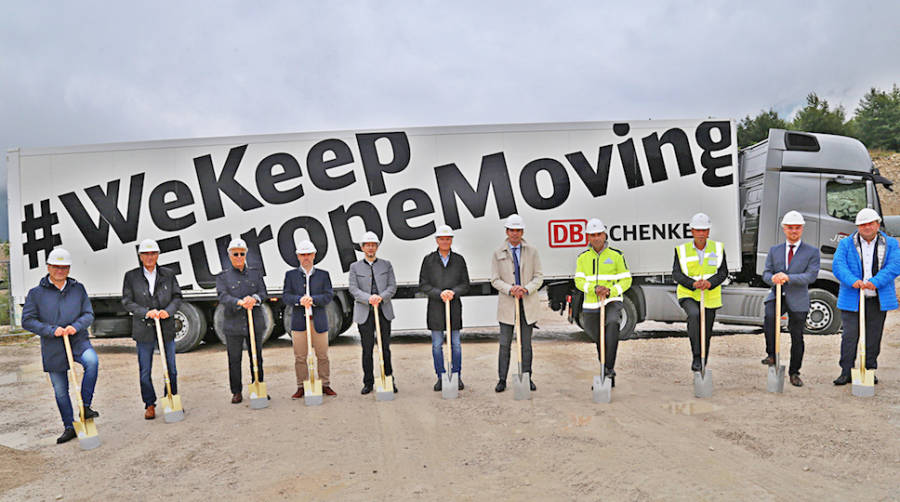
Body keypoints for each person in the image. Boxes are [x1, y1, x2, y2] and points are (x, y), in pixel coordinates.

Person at [22, 248, 98, 444]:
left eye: (64, 267)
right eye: (56, 267)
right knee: (60, 390)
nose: (60, 270)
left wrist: (76, 326)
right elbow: (28, 321)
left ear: (69, 268)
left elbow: (88, 314)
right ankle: (69, 426)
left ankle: (85, 406)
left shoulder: (78, 289)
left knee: (92, 361)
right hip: (53, 345)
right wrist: (51, 330)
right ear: (48, 267)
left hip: (77, 339)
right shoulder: (36, 294)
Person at [832, 208, 900, 386]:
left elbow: (894, 266)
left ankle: (869, 370)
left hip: (877, 298)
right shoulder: (846, 244)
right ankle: (846, 371)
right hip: (852, 298)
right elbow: (839, 266)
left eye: (871, 223)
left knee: (873, 336)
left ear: (877, 224)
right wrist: (853, 280)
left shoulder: (891, 244)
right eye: (863, 224)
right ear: (858, 226)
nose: (867, 227)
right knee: (849, 336)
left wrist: (875, 282)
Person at [121, 239, 183, 419]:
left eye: (153, 254)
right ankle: (149, 404)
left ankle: (171, 398)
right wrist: (146, 312)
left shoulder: (168, 274)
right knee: (145, 371)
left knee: (171, 368)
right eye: (146, 254)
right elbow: (127, 301)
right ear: (140, 256)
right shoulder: (131, 276)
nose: (150, 257)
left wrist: (168, 311)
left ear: (158, 255)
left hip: (165, 327)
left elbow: (177, 297)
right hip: (144, 328)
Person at [760, 211, 820, 387]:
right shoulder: (774, 250)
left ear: (802, 229)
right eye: (790, 228)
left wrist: (788, 278)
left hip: (798, 298)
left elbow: (811, 276)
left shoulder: (812, 252)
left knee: (797, 336)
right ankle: (771, 354)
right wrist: (773, 278)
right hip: (777, 295)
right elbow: (766, 273)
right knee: (769, 317)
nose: (793, 231)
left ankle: (794, 372)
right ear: (784, 229)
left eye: (797, 228)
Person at [574, 218, 631, 387]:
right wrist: (594, 289)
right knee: (600, 339)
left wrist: (610, 291)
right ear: (588, 238)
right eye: (592, 235)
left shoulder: (616, 256)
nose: (596, 238)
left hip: (611, 301)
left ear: (605, 234)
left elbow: (626, 280)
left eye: (599, 234)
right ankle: (607, 368)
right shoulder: (582, 258)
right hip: (591, 304)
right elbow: (579, 281)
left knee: (612, 324)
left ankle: (608, 369)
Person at [490, 214, 543, 392]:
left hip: (526, 303)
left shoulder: (532, 251)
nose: (515, 233)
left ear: (522, 231)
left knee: (526, 344)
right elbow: (495, 280)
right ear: (507, 231)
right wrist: (510, 289)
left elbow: (538, 276)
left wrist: (526, 289)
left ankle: (527, 377)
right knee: (505, 344)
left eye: (518, 230)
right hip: (507, 304)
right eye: (512, 230)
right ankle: (502, 379)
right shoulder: (498, 253)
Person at [672, 212, 728, 372]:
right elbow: (676, 273)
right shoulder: (681, 250)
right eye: (698, 230)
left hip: (710, 295)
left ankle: (703, 360)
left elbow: (723, 272)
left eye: (704, 230)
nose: (701, 233)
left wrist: (710, 283)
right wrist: (693, 284)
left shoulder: (718, 248)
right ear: (692, 231)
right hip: (688, 294)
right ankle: (696, 357)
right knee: (695, 315)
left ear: (709, 231)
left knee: (707, 330)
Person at [215, 238, 269, 404]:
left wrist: (255, 299)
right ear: (230, 255)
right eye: (235, 254)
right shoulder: (223, 277)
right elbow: (222, 296)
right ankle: (236, 391)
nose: (239, 256)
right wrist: (239, 302)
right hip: (234, 324)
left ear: (245, 254)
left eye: (241, 254)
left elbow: (263, 292)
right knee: (234, 359)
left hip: (254, 322)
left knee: (257, 357)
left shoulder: (255, 273)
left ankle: (258, 386)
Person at [419, 224, 470, 391]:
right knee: (436, 345)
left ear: (451, 240)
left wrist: (453, 292)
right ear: (437, 240)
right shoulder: (428, 260)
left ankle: (456, 375)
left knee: (455, 344)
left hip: (454, 307)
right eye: (442, 239)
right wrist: (439, 293)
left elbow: (465, 284)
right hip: (435, 308)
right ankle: (441, 376)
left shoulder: (459, 260)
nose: (445, 241)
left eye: (448, 239)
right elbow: (423, 285)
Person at [283, 239, 336, 398]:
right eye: (302, 254)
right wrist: (300, 300)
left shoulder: (323, 275)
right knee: (300, 356)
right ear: (298, 256)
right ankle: (301, 386)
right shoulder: (290, 275)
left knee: (322, 355)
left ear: (314, 255)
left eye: (308, 254)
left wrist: (313, 299)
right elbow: (286, 296)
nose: (305, 257)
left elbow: (328, 295)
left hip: (318, 321)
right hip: (299, 322)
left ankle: (325, 384)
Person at [349, 231, 398, 395]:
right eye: (367, 245)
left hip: (383, 312)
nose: (370, 248)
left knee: (385, 348)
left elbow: (392, 286)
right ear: (362, 248)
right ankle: (368, 382)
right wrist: (369, 298)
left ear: (377, 247)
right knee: (367, 349)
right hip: (365, 313)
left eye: (373, 245)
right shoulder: (355, 267)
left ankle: (389, 379)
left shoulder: (386, 265)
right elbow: (353, 289)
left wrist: (380, 298)